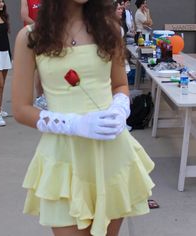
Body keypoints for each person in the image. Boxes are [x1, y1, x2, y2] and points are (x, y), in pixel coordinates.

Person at [12, 1, 155, 236]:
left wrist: (120, 109)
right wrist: (74, 124)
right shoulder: (31, 36)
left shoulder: (108, 28)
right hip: (63, 158)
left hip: (110, 152)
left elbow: (120, 84)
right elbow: (20, 108)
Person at [20, 0, 46, 109]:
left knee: (43, 65)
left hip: (46, 33)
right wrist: (38, 26)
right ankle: (38, 97)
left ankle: (42, 97)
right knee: (35, 67)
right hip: (32, 34)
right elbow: (24, 16)